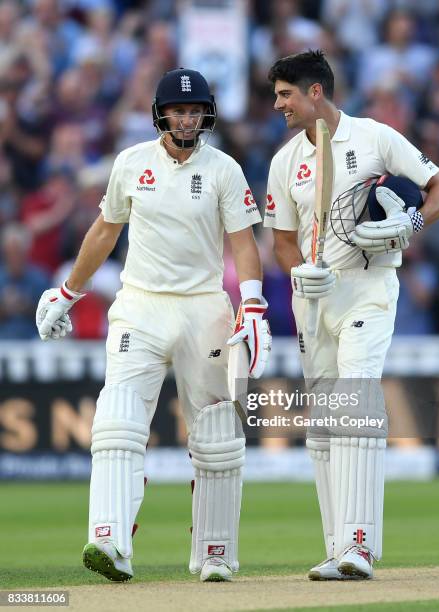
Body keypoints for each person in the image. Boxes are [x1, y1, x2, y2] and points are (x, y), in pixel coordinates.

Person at [35, 68, 271, 583]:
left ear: (206, 114)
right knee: (117, 421)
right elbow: (104, 231)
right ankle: (110, 541)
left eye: (195, 110)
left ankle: (215, 552)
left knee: (216, 436)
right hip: (139, 305)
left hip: (203, 307)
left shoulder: (224, 169)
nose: (187, 118)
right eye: (178, 110)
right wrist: (68, 292)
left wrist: (251, 304)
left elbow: (243, 242)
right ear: (160, 114)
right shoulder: (131, 163)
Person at [264, 50, 439, 580]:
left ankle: (361, 545)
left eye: (285, 94)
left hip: (369, 288)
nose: (278, 104)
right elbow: (281, 241)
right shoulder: (284, 161)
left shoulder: (375, 137)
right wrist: (300, 271)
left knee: (356, 397)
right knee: (324, 427)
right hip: (314, 300)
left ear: (315, 92)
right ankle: (336, 548)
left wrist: (410, 223)